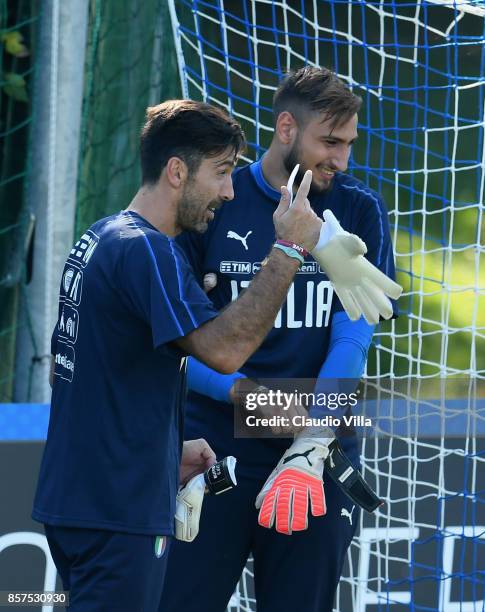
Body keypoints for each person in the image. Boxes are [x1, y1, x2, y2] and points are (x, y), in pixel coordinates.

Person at [31, 99, 325, 611]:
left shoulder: (98, 238)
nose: (229, 192)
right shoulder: (148, 250)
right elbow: (227, 350)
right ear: (176, 171)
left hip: (80, 502)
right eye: (221, 172)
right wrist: (289, 250)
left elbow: (77, 378)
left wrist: (164, 453)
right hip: (118, 513)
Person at [159, 67, 399, 612]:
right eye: (330, 142)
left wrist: (313, 439)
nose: (342, 159)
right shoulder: (216, 199)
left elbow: (352, 342)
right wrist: (250, 399)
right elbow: (179, 346)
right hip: (212, 447)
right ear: (286, 127)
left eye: (349, 144)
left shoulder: (359, 209)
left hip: (314, 447)